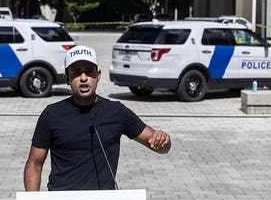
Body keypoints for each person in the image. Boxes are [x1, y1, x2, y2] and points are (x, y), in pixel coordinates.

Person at [23, 45, 171, 191]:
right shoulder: (51, 114)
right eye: (76, 73)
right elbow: (34, 164)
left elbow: (159, 146)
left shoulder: (116, 112)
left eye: (89, 72)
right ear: (66, 78)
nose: (83, 78)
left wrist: (163, 140)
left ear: (98, 76)